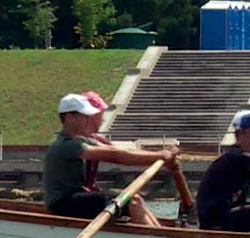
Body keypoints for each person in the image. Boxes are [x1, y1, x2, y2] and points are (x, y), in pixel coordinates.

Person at [42, 93, 177, 226]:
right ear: (69, 117)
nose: (89, 120)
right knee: (130, 201)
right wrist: (159, 156)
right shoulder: (66, 144)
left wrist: (159, 154)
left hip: (77, 198)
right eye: (84, 116)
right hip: (62, 203)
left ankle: (162, 234)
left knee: (135, 199)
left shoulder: (84, 140)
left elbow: (118, 150)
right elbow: (114, 155)